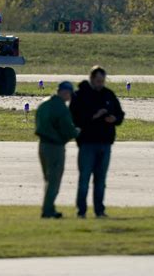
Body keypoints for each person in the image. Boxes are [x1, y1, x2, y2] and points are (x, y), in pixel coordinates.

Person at [70, 66, 125, 219]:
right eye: (98, 80)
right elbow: (74, 118)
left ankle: (99, 211)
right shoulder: (80, 95)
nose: (100, 83)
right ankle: (81, 211)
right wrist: (94, 116)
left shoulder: (108, 94)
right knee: (84, 180)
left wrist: (115, 119)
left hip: (105, 144)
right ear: (92, 79)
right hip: (87, 143)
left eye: (103, 81)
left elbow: (120, 114)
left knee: (100, 181)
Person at [35, 81, 80, 219]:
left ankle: (49, 207)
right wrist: (77, 132)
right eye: (69, 94)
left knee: (48, 179)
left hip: (42, 145)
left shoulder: (44, 103)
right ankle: (48, 210)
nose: (69, 97)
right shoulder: (61, 108)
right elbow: (67, 129)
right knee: (54, 180)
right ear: (65, 92)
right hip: (55, 147)